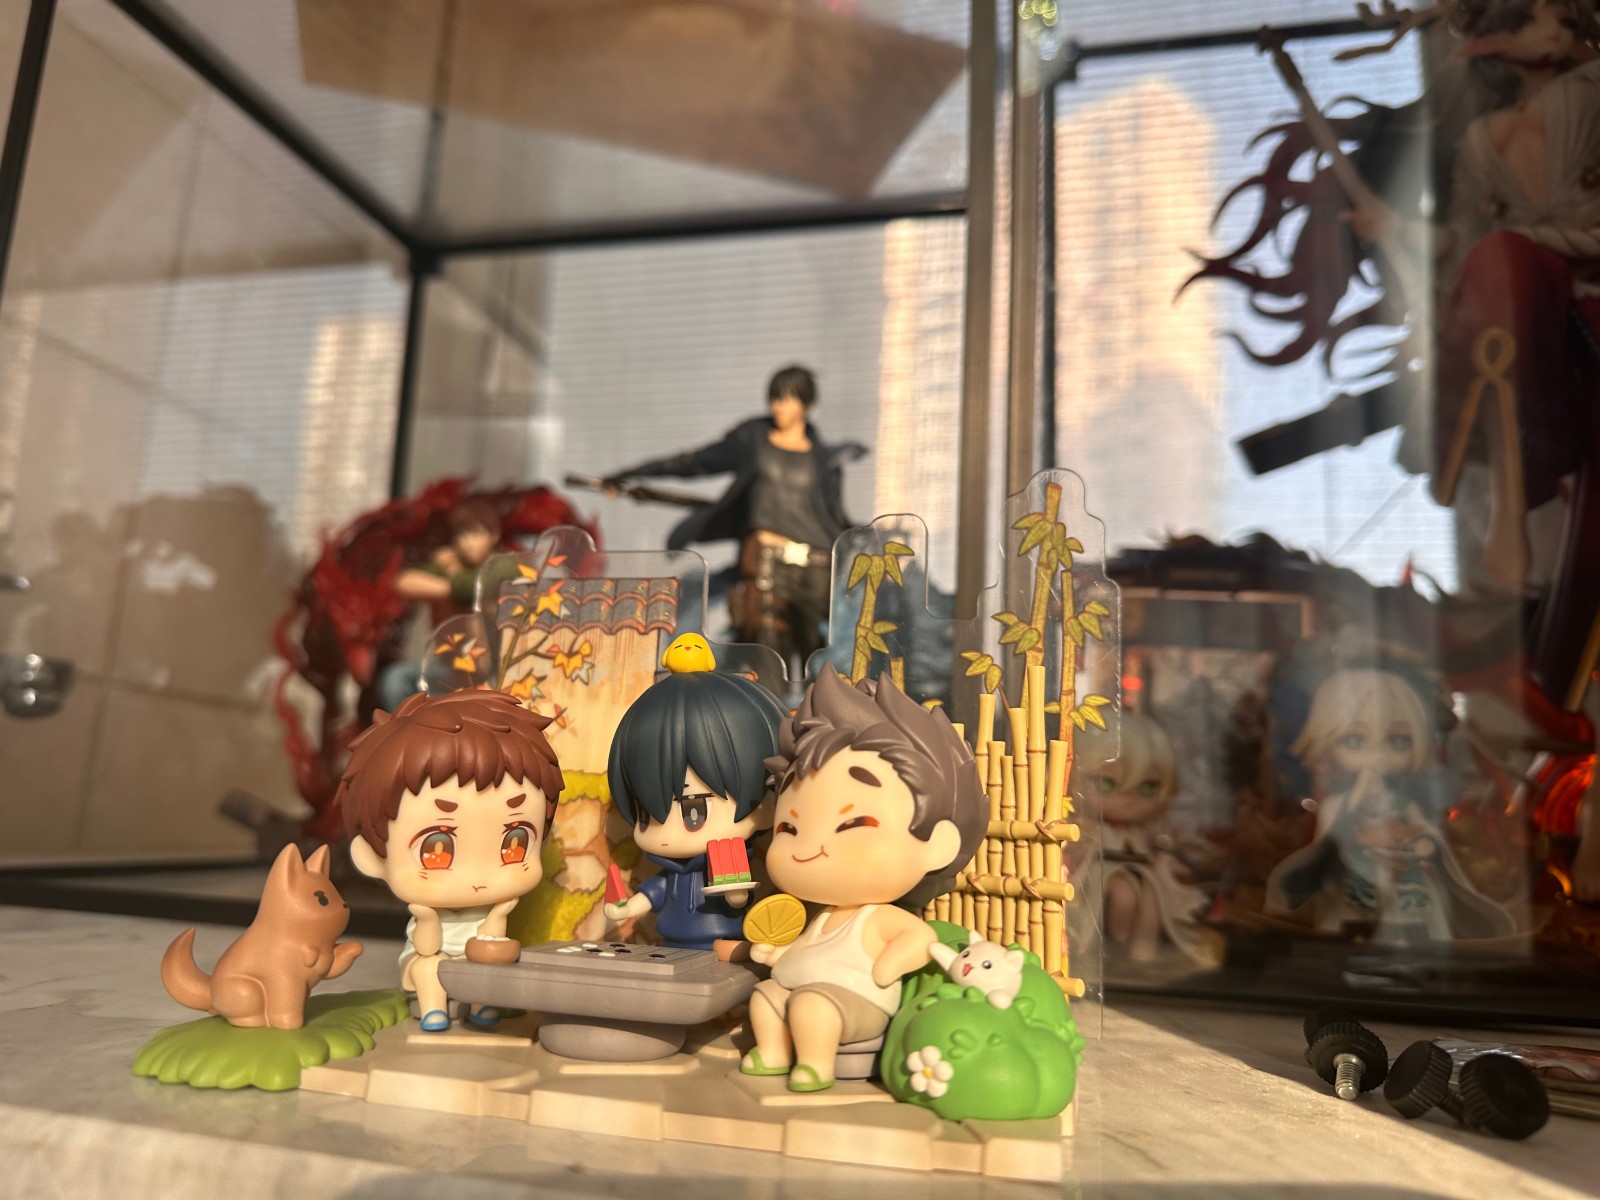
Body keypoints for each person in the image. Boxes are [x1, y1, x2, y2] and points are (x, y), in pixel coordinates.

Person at [741, 666, 986, 1092]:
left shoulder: (878, 917)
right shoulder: (819, 915)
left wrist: (886, 967)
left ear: (937, 844)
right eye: (789, 828)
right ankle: (774, 1053)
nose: (810, 846)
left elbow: (920, 939)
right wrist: (776, 955)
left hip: (856, 1001)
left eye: (852, 823)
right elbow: (806, 953)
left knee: (812, 1005)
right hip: (803, 988)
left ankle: (815, 1065)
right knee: (765, 998)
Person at [603, 365, 861, 669]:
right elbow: (694, 462)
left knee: (820, 665)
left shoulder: (826, 461)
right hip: (766, 564)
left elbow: (836, 518)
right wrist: (631, 475)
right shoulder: (753, 440)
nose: (777, 406)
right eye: (774, 398)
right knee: (766, 658)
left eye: (786, 398)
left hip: (817, 568)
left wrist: (872, 541)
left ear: (806, 404)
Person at [337, 690, 565, 1031]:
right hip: (426, 960)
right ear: (371, 857)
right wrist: (427, 918)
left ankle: (483, 1007)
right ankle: (434, 1011)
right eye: (437, 847)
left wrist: (498, 915)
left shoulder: (488, 908)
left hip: (473, 961)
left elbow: (489, 942)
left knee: (489, 965)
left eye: (514, 841)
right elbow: (427, 948)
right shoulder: (425, 911)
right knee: (430, 967)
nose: (478, 877)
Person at [602, 635, 790, 950]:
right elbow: (653, 894)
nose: (666, 827)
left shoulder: (734, 860)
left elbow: (741, 899)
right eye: (646, 813)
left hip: (724, 945)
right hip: (669, 947)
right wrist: (625, 908)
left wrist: (736, 894)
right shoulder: (671, 873)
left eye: (694, 810)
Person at [1073, 713, 1215, 964]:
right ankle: (1111, 947)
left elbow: (1157, 850)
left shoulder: (1141, 832)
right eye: (1107, 784)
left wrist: (1170, 862)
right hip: (1101, 872)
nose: (1128, 799)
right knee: (1124, 893)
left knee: (1153, 899)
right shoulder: (1090, 827)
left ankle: (1142, 952)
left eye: (1148, 787)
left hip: (1141, 870)